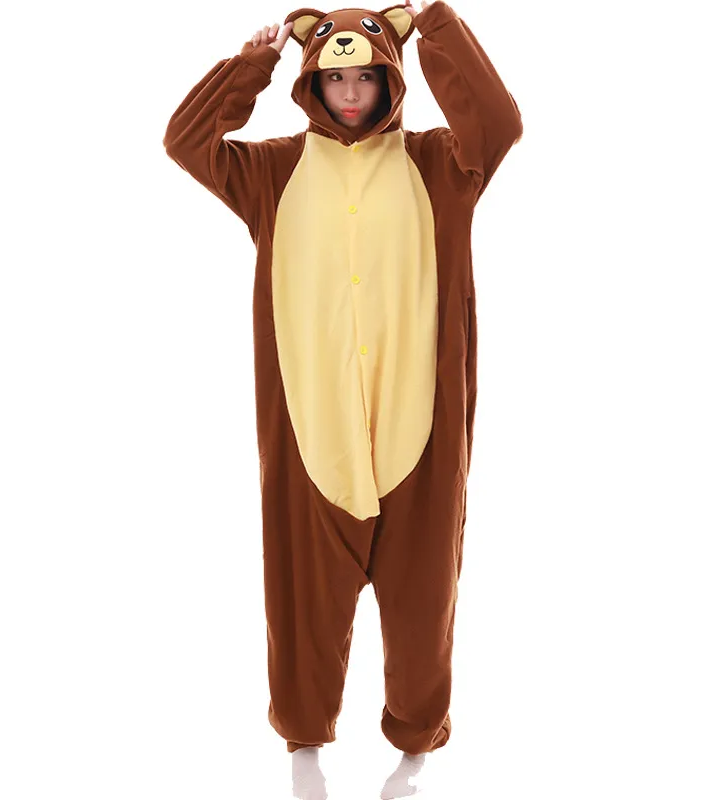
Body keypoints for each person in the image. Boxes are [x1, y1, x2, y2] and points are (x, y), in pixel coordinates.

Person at [163, 2, 522, 798]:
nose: (352, 92)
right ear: (312, 84)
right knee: (302, 601)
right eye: (335, 78)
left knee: (424, 602)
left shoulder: (440, 166)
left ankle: (415, 750)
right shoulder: (273, 173)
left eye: (366, 76)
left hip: (418, 429)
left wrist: (436, 26)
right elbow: (186, 141)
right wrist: (250, 67)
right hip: (310, 426)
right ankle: (304, 744)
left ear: (391, 79)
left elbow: (499, 124)